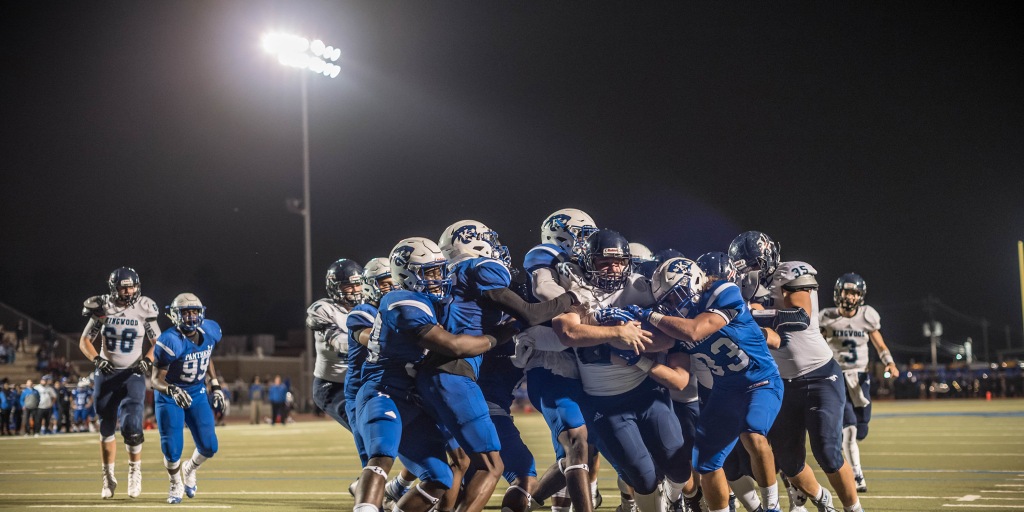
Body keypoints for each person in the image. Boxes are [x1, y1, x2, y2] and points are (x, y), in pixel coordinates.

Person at [350, 237, 513, 512]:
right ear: (407, 274)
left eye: (440, 270)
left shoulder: (434, 302)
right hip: (384, 390)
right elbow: (455, 346)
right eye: (431, 272)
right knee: (382, 455)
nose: (439, 278)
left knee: (440, 477)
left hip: (414, 399)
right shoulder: (399, 300)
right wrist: (506, 331)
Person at [427, 220, 576, 512]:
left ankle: (401, 495)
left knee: (456, 472)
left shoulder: (450, 281)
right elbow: (534, 319)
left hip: (439, 384)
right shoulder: (481, 271)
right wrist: (574, 299)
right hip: (464, 387)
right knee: (517, 473)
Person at [551, 229, 693, 512]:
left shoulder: (642, 287)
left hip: (647, 391)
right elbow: (566, 331)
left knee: (679, 466)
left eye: (618, 262)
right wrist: (616, 332)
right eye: (604, 261)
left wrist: (626, 349)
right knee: (643, 479)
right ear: (589, 262)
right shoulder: (578, 292)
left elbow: (669, 337)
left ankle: (675, 501)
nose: (613, 268)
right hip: (604, 401)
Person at [729, 231, 865, 512]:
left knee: (827, 452)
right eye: (744, 267)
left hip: (820, 375)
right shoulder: (743, 286)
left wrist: (749, 314)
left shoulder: (790, 272)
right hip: (780, 382)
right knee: (788, 460)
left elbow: (799, 317)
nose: (751, 272)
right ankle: (823, 499)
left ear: (766, 258)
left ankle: (854, 509)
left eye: (753, 263)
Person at [637, 256, 784, 512]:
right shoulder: (676, 322)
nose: (672, 304)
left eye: (677, 294)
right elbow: (667, 344)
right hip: (725, 390)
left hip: (760, 381)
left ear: (693, 282)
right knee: (704, 461)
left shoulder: (723, 291)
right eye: (667, 300)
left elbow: (695, 330)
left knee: (752, 432)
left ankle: (771, 507)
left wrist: (649, 314)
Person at [78, 266, 162, 499]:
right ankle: (108, 477)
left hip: (132, 374)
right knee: (106, 426)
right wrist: (96, 358)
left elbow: (158, 341)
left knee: (133, 426)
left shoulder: (144, 307)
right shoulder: (104, 308)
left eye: (131, 286)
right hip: (106, 374)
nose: (128, 291)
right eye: (123, 287)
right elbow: (85, 340)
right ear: (114, 288)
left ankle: (135, 472)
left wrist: (147, 360)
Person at [820, 273, 899, 493]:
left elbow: (880, 345)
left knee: (861, 428)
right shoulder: (826, 317)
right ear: (839, 293)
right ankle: (857, 475)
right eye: (847, 291)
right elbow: (815, 343)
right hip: (837, 378)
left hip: (861, 379)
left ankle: (850, 451)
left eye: (855, 292)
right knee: (850, 429)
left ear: (861, 295)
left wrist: (890, 364)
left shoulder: (867, 316)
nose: (851, 296)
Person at [151, 293, 225, 504]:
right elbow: (155, 380)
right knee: (172, 448)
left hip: (196, 391)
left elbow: (207, 354)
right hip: (170, 394)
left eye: (194, 312)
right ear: (176, 316)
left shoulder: (210, 330)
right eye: (186, 313)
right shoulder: (169, 340)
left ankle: (190, 468)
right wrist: (172, 391)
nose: (191, 317)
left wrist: (215, 384)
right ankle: (175, 482)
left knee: (210, 446)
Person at [307, 258, 364, 432]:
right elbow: (340, 343)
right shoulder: (323, 309)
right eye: (348, 286)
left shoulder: (368, 306)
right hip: (332, 385)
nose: (355, 290)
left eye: (358, 285)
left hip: (363, 381)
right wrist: (379, 340)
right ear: (335, 287)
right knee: (361, 426)